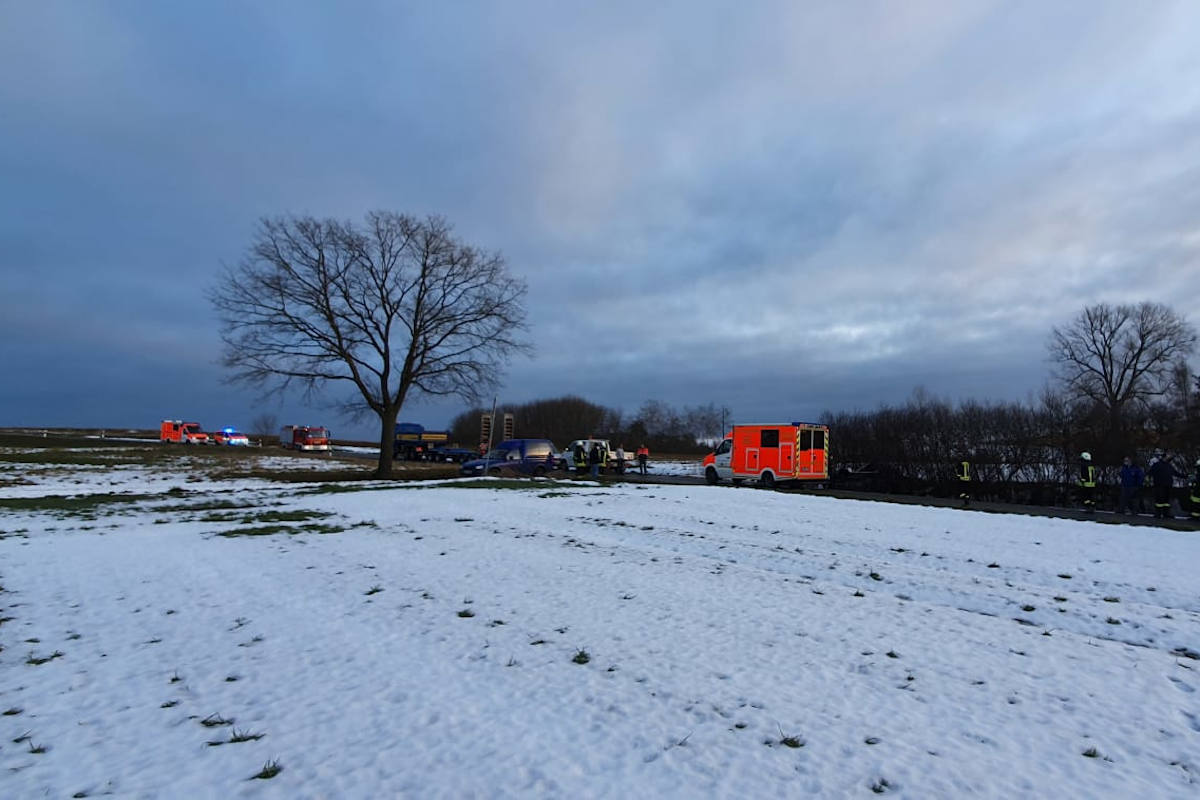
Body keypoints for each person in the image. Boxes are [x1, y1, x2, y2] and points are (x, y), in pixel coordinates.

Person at [1147, 451, 1186, 519]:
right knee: (1159, 500)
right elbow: (1150, 472)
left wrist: (1185, 476)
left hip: (1168, 485)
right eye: (1167, 456)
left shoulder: (1169, 465)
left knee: (1166, 501)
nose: (1168, 457)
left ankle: (1166, 514)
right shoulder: (1157, 465)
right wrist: (1148, 479)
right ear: (1163, 457)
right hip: (1159, 485)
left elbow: (1176, 473)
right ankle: (1158, 514)